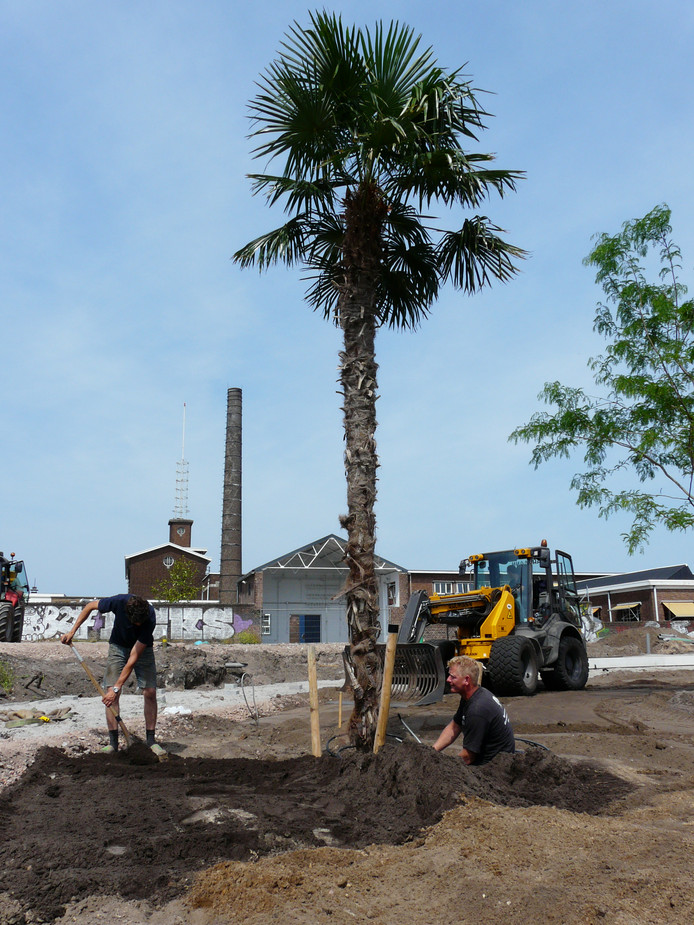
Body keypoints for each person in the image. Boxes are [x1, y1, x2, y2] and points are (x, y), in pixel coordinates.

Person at [61, 594, 165, 756]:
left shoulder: (149, 617)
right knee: (110, 693)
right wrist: (72, 632)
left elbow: (133, 658)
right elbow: (89, 606)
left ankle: (151, 740)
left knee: (150, 691)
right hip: (118, 646)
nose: (138, 625)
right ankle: (113, 743)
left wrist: (118, 687)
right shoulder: (118, 602)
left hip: (142, 650)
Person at [433, 655, 515, 764]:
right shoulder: (472, 695)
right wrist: (432, 751)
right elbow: (455, 726)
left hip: (495, 768)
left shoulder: (477, 710)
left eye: (453, 677)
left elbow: (468, 757)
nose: (448, 680)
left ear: (466, 680)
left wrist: (440, 766)